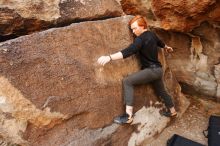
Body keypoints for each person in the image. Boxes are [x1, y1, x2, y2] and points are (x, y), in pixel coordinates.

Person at [97, 15, 177, 124]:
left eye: (135, 28)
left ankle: (128, 116)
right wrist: (167, 47)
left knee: (127, 81)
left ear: (143, 26)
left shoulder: (140, 39)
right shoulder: (152, 34)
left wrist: (109, 57)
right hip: (158, 71)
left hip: (151, 71)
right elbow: (160, 42)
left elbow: (128, 51)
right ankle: (172, 111)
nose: (133, 31)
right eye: (131, 29)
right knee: (162, 91)